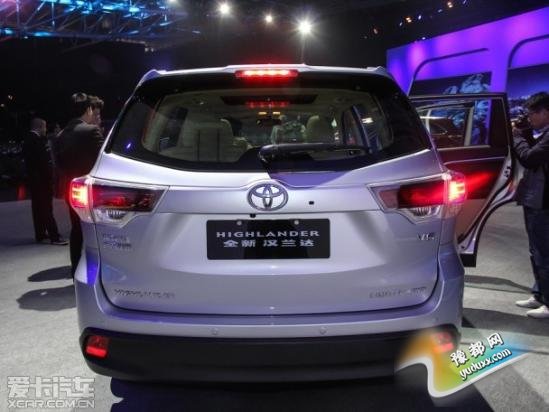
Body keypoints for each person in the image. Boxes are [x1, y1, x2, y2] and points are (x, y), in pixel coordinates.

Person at [56, 93, 104, 275]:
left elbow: (59, 164)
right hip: (92, 190)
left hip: (72, 189)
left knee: (76, 229)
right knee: (97, 231)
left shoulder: (61, 135)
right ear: (89, 109)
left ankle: (76, 271)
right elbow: (103, 161)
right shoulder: (91, 131)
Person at [513, 92, 549, 319]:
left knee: (544, 253)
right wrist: (524, 132)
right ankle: (539, 294)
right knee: (536, 251)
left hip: (543, 202)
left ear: (545, 112)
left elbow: (529, 158)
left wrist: (517, 137)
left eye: (532, 114)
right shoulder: (544, 134)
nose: (530, 118)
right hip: (534, 199)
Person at [22, 118, 68, 245]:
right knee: (47, 209)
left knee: (37, 208)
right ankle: (55, 237)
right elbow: (42, 162)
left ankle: (40, 233)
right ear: (40, 127)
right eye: (45, 127)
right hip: (42, 181)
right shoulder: (37, 141)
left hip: (35, 181)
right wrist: (50, 177)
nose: (46, 129)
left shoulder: (28, 140)